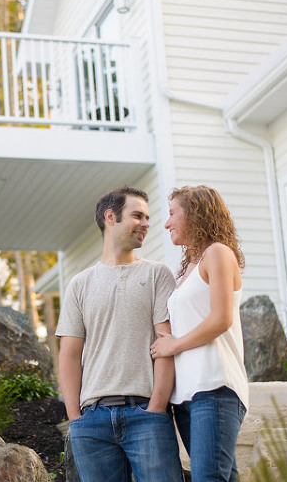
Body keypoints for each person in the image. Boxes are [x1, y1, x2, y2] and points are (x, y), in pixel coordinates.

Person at [56, 186, 183, 482]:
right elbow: (69, 356)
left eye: (148, 217)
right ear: (110, 217)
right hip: (92, 421)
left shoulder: (157, 274)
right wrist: (76, 419)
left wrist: (156, 409)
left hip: (145, 414)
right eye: (137, 215)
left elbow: (165, 345)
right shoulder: (80, 284)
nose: (147, 224)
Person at [150, 185, 249, 482]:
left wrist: (174, 345)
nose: (166, 223)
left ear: (195, 213)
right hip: (186, 396)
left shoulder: (217, 253)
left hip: (214, 387)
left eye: (171, 214)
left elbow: (221, 318)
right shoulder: (185, 272)